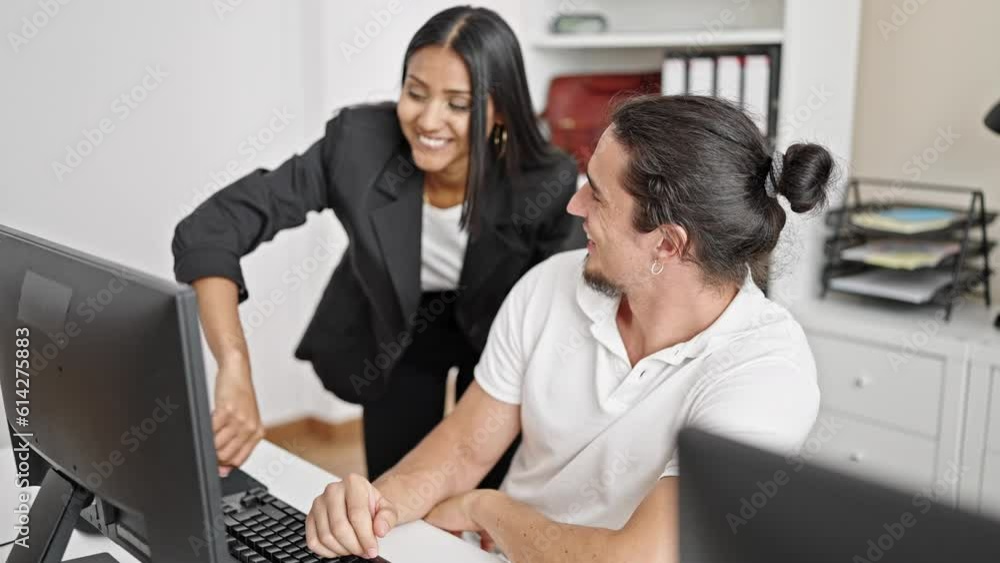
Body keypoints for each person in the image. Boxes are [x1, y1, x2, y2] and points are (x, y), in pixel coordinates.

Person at [302, 94, 836, 562]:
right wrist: (374, 506)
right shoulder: (551, 286)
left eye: (597, 196)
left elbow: (636, 560)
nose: (573, 204)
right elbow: (464, 449)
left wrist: (490, 510)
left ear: (667, 245)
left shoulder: (765, 373)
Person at [170, 6, 579, 487]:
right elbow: (211, 228)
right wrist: (234, 365)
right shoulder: (358, 144)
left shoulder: (547, 181)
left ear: (501, 111)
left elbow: (566, 308)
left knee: (486, 486)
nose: (428, 119)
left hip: (500, 330)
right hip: (397, 322)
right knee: (393, 487)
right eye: (416, 92)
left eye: (458, 103)